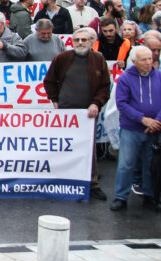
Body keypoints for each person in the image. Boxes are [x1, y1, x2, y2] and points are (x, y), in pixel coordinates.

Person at [42, 27, 111, 201]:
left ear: (91, 42)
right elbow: (49, 80)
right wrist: (55, 100)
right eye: (77, 40)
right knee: (64, 146)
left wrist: (96, 103)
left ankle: (92, 184)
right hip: (66, 113)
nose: (80, 43)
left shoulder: (98, 59)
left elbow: (104, 86)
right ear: (72, 42)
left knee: (89, 149)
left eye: (84, 40)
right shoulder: (62, 58)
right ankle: (62, 181)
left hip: (87, 114)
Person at [110, 45, 161, 212]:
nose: (149, 62)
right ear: (134, 62)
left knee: (150, 164)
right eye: (144, 59)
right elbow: (122, 104)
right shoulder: (125, 78)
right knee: (126, 163)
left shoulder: (159, 76)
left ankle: (149, 195)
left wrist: (156, 121)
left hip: (154, 128)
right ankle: (120, 197)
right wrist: (143, 119)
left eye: (150, 58)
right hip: (131, 128)